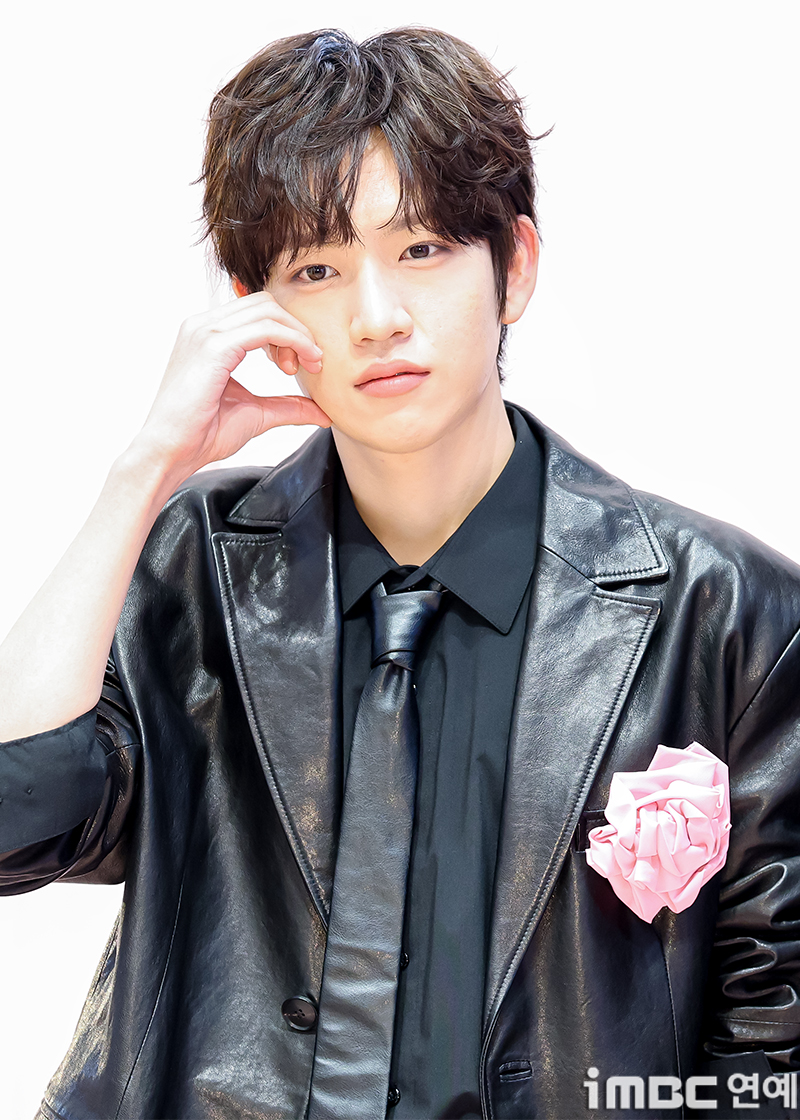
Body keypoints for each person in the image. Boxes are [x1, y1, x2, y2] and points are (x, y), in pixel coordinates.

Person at [0, 25, 799, 1120]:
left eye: (421, 249)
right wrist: (144, 469)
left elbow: (772, 1042)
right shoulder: (194, 563)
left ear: (514, 267)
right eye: (317, 270)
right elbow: (16, 823)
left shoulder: (731, 615)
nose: (376, 318)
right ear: (255, 310)